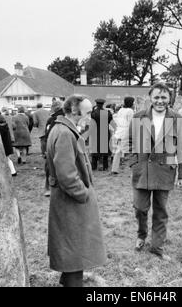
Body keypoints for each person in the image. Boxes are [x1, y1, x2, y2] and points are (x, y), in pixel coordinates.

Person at [46, 96, 106, 287]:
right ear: (73, 109)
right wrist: (83, 194)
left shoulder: (63, 129)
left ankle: (67, 281)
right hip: (71, 202)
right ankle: (71, 283)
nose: (90, 117)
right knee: (74, 250)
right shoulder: (64, 132)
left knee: (71, 248)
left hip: (68, 202)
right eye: (87, 113)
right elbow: (66, 174)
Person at [128, 83, 182, 261]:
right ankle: (141, 235)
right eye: (156, 97)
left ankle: (157, 247)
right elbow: (131, 141)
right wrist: (134, 163)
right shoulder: (139, 117)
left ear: (169, 98)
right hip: (142, 171)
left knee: (161, 211)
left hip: (164, 171)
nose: (160, 101)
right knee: (140, 208)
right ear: (150, 98)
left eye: (164, 97)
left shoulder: (177, 119)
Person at [43, 100, 65, 197]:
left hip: (52, 145)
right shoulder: (67, 117)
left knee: (49, 167)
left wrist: (45, 150)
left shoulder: (51, 119)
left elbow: (47, 135)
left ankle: (48, 186)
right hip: (62, 145)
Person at [111, 97, 135, 175]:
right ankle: (132, 169)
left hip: (119, 131)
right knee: (131, 151)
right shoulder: (130, 111)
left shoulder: (120, 110)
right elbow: (132, 123)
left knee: (118, 151)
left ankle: (114, 168)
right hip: (126, 132)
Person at [90, 98, 113, 171]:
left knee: (95, 149)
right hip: (105, 131)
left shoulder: (93, 113)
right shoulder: (108, 113)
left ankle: (94, 166)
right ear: (103, 104)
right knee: (105, 150)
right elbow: (110, 121)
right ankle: (105, 166)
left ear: (96, 104)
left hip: (95, 132)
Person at [0, 110, 17, 177]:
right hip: (8, 146)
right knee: (8, 159)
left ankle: (13, 172)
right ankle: (13, 171)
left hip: (4, 147)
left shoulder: (0, 128)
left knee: (7, 160)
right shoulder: (5, 126)